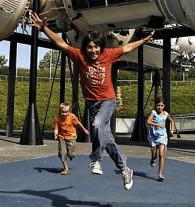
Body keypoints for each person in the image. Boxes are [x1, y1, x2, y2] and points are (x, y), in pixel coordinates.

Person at [29, 11, 154, 191]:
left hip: (107, 101)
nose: (93, 50)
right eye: (90, 47)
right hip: (91, 102)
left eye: (96, 47)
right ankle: (125, 169)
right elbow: (61, 43)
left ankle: (95, 159)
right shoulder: (79, 56)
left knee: (96, 126)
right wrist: (44, 28)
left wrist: (143, 40)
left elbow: (127, 48)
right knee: (107, 139)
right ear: (85, 48)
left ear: (101, 47)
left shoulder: (108, 55)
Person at [53, 102, 89, 175]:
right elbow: (56, 128)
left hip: (71, 137)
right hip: (61, 136)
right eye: (63, 112)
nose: (65, 114)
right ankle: (66, 169)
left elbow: (78, 123)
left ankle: (71, 155)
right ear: (60, 111)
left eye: (66, 112)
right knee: (62, 153)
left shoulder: (72, 116)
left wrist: (84, 130)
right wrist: (55, 135)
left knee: (71, 154)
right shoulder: (57, 118)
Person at [146, 97, 175, 182]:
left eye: (161, 105)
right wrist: (158, 125)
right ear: (155, 106)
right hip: (153, 135)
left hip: (162, 136)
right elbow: (148, 121)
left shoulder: (166, 114)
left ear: (164, 106)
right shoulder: (153, 113)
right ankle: (152, 159)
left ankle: (160, 174)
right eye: (158, 105)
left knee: (161, 154)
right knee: (154, 154)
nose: (160, 107)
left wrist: (171, 130)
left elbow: (172, 121)